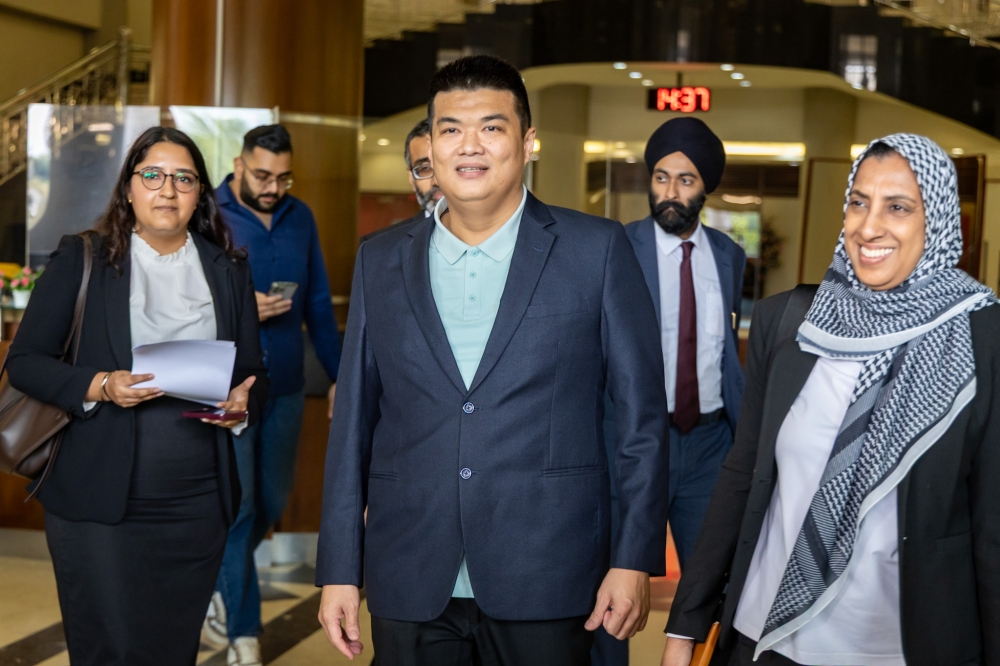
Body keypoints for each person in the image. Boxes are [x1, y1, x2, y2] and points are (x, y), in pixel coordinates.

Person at [316, 54, 669, 665]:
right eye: (450, 128)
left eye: (492, 127)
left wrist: (634, 557)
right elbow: (352, 427)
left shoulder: (596, 251)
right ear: (430, 143)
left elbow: (641, 424)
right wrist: (340, 568)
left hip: (547, 569)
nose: (468, 146)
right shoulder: (380, 260)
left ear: (528, 142)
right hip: (411, 572)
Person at [661, 134, 1000, 666]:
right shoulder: (792, 321)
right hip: (764, 638)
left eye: (898, 207)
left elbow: (991, 530)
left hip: (894, 648)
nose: (869, 227)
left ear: (936, 220)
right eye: (858, 202)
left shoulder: (979, 339)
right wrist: (684, 626)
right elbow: (742, 475)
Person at [6, 126, 269, 665]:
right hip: (99, 498)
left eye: (183, 178)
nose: (167, 190)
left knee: (170, 651)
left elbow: (251, 372)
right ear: (128, 187)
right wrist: (101, 385)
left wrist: (243, 403)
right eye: (152, 175)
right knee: (109, 649)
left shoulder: (228, 269)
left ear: (200, 194)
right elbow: (25, 363)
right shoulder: (83, 258)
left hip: (197, 501)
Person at [594, 117, 747, 666]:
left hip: (708, 444)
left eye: (685, 180)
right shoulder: (615, 247)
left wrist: (743, 432)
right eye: (661, 178)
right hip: (632, 441)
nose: (671, 193)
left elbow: (724, 350)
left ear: (706, 186)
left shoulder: (729, 256)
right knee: (613, 586)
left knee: (713, 584)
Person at [208, 124, 342, 665]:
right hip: (229, 387)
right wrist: (240, 311)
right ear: (239, 166)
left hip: (284, 385)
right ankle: (243, 631)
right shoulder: (209, 214)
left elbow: (316, 304)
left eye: (283, 177)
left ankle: (220, 580)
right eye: (262, 175)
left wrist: (340, 378)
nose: (272, 187)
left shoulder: (300, 216)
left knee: (270, 500)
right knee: (238, 509)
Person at [359, 118, 442, 244]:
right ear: (411, 178)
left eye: (445, 165)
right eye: (425, 168)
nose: (437, 181)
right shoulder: (377, 247)